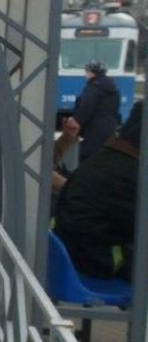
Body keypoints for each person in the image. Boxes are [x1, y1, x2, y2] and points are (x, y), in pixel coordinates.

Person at [54, 100, 141, 280]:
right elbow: (136, 226)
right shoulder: (130, 174)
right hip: (97, 261)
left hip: (74, 251)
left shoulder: (108, 160)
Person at [73, 61, 122, 161]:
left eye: (86, 71)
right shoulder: (114, 88)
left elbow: (85, 108)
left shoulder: (92, 87)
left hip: (94, 128)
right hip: (110, 126)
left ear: (92, 72)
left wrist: (76, 122)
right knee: (104, 156)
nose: (85, 74)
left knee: (86, 156)